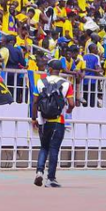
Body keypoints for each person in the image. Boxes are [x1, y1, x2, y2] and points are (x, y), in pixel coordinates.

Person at [32, 59, 76, 188]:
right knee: (54, 149)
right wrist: (68, 109)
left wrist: (34, 118)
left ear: (49, 69)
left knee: (43, 147)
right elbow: (72, 104)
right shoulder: (67, 84)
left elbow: (35, 102)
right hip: (58, 121)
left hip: (43, 120)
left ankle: (39, 172)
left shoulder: (40, 82)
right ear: (60, 70)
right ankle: (50, 179)